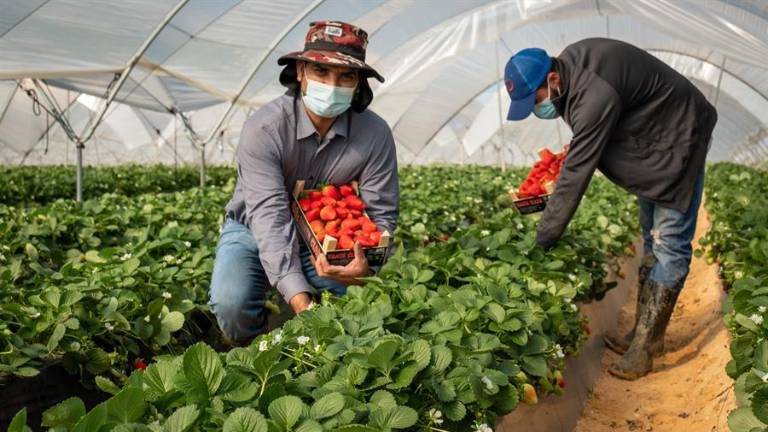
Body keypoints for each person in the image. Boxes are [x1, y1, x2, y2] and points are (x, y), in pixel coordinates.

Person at [503, 38, 717, 380]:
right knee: (652, 238)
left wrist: (544, 239)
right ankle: (644, 335)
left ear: (552, 80)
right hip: (653, 140)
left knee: (669, 243)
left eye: (536, 99)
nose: (536, 108)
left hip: (679, 137)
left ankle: (644, 350)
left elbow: (575, 178)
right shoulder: (573, 70)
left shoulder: (592, 94)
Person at [209, 21, 399, 345]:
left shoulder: (375, 134)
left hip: (327, 237)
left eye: (346, 76)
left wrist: (366, 266)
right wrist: (300, 301)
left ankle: (330, 360)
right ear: (300, 71)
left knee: (352, 311)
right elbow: (270, 219)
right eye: (321, 72)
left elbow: (380, 216)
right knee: (232, 304)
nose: (332, 84)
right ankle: (258, 352)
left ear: (358, 84)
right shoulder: (265, 129)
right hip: (253, 229)